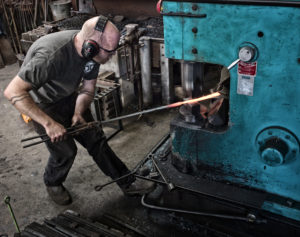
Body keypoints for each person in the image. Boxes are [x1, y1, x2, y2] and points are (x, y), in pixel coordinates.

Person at [4, 15, 155, 205]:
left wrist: (78, 111)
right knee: (66, 151)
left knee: (96, 139)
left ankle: (127, 182)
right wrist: (49, 124)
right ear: (90, 45)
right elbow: (12, 91)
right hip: (42, 104)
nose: (111, 56)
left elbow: (87, 89)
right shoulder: (51, 56)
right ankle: (52, 182)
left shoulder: (91, 53)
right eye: (109, 51)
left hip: (69, 97)